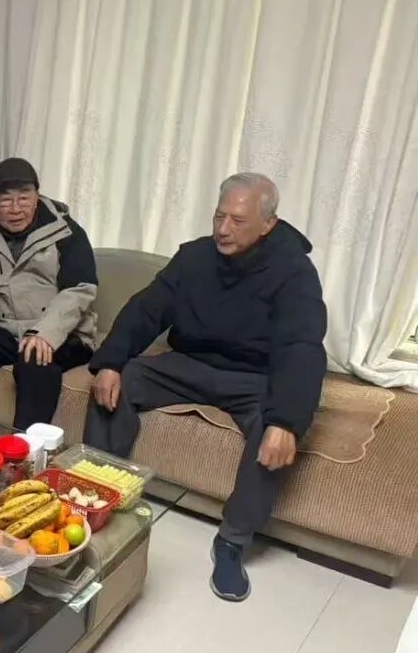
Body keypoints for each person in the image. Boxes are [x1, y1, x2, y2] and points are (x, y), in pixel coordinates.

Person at [84, 173, 327, 602]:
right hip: (189, 365)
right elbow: (146, 309)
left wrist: (287, 421)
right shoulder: (194, 256)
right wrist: (110, 363)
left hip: (253, 377)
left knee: (274, 429)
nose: (223, 229)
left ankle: (232, 541)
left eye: (238, 220)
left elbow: (301, 347)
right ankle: (101, 497)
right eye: (219, 216)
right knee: (122, 380)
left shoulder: (294, 272)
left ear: (268, 224)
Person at [0, 157, 98, 429]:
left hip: (63, 334)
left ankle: (24, 447)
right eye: (6, 200)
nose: (15, 209)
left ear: (37, 196)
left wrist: (44, 334)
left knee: (34, 358)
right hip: (8, 329)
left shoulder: (67, 233)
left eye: (24, 198)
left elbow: (79, 291)